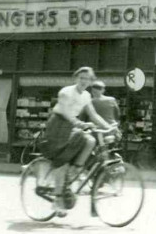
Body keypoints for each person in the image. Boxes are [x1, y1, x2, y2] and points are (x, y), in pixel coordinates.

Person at [43, 67, 114, 216]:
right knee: (61, 161)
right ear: (76, 78)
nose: (83, 81)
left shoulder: (86, 95)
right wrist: (80, 124)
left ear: (90, 81)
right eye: (81, 78)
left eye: (87, 79)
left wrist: (109, 128)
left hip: (70, 126)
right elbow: (67, 114)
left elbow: (94, 115)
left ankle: (73, 172)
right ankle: (57, 201)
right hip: (57, 126)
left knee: (90, 140)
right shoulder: (65, 92)